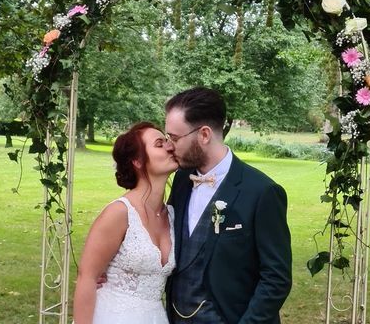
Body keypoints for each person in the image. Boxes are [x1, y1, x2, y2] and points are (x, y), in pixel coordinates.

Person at [164, 87, 292, 324]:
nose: (170, 146)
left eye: (174, 138)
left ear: (204, 135)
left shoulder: (262, 192)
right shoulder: (181, 180)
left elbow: (276, 278)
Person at [73, 122, 179, 324]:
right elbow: (87, 278)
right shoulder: (120, 212)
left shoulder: (172, 214)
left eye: (167, 141)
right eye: (159, 144)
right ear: (137, 161)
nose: (170, 146)